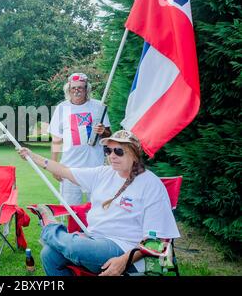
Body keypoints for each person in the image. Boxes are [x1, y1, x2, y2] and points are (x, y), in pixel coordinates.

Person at [18, 130, 180, 276]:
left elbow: (158, 239)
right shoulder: (103, 173)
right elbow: (65, 171)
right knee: (49, 254)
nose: (112, 156)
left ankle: (49, 229)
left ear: (135, 154)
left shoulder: (150, 184)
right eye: (108, 150)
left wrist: (124, 260)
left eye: (119, 151)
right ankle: (56, 234)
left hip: (126, 248)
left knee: (75, 247)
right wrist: (32, 156)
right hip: (94, 239)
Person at [49, 72, 111, 205]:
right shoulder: (62, 108)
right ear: (69, 90)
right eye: (73, 88)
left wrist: (102, 131)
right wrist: (54, 165)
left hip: (94, 167)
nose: (77, 91)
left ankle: (92, 227)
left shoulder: (98, 106)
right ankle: (74, 227)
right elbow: (56, 139)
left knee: (97, 207)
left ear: (86, 89)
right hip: (69, 167)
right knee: (71, 209)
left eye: (80, 88)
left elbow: (108, 135)